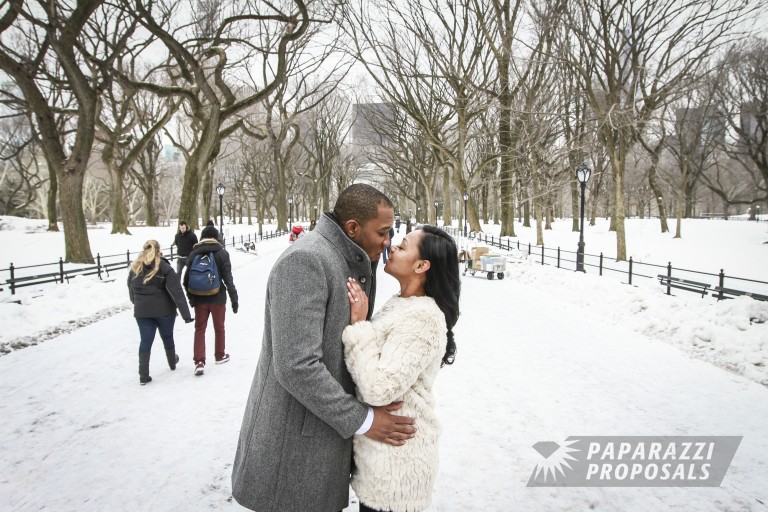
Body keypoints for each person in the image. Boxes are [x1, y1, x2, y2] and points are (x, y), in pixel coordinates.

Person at [232, 184, 415, 512]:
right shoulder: (307, 259)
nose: (388, 242)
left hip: (319, 437)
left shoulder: (347, 258)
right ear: (353, 228)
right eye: (384, 232)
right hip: (292, 452)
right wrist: (364, 420)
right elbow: (296, 365)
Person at [344, 225, 460, 512]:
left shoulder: (423, 317)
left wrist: (359, 327)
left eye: (403, 246)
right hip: (382, 461)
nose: (392, 247)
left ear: (421, 266)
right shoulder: (403, 303)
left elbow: (377, 388)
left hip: (398, 470)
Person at [128, 240, 193, 385]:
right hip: (164, 311)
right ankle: (172, 363)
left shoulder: (135, 268)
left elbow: (131, 291)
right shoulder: (164, 268)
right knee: (167, 336)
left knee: (145, 340)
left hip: (142, 312)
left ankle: (143, 375)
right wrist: (186, 315)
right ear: (159, 251)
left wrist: (137, 304)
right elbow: (177, 292)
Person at [183, 223, 238, 376]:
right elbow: (228, 278)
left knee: (199, 329)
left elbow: (186, 280)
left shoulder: (194, 253)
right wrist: (234, 298)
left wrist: (191, 298)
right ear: (216, 237)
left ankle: (199, 361)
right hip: (217, 297)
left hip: (199, 298)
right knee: (219, 327)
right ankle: (220, 355)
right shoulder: (222, 253)